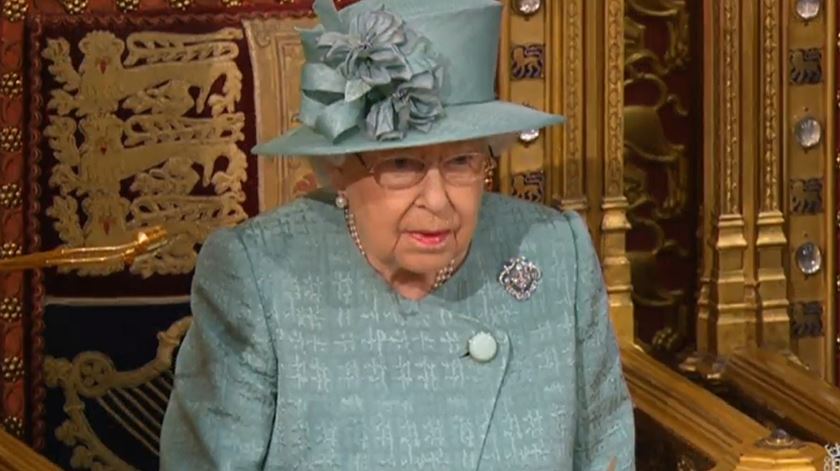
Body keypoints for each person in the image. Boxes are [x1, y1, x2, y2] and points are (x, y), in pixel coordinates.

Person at [159, 0, 635, 469]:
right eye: (402, 164)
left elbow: (604, 451)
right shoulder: (260, 277)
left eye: (462, 161)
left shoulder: (555, 253)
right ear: (339, 169)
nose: (438, 199)